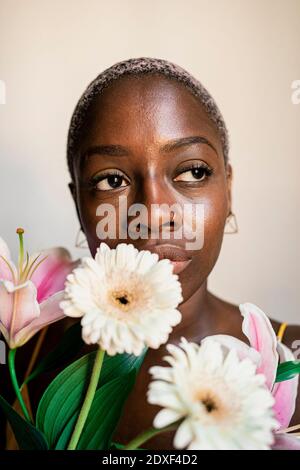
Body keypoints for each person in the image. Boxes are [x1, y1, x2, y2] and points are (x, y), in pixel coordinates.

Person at [65, 57, 299, 449]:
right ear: (79, 205)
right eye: (112, 180)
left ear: (229, 190)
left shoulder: (291, 358)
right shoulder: (27, 359)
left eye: (192, 172)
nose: (154, 213)